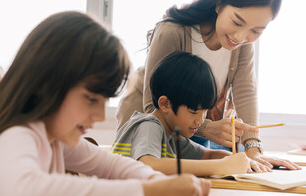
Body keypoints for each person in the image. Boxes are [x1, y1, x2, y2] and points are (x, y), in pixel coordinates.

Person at [0, 11, 210, 196]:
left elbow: (112, 165)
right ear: (45, 84)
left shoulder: (53, 137)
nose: (98, 116)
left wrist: (157, 182)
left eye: (104, 101)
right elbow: (26, 194)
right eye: (90, 98)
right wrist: (149, 193)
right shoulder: (15, 134)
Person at [116, 0, 300, 170]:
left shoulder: (244, 43)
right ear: (219, 4)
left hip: (187, 128)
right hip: (155, 122)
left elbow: (245, 92)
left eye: (256, 31)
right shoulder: (173, 32)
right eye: (237, 22)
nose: (241, 37)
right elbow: (154, 109)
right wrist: (205, 128)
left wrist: (252, 150)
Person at [113, 52, 272, 175]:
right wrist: (221, 166)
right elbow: (148, 164)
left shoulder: (171, 135)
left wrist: (239, 159)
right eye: (194, 111)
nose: (201, 120)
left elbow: (208, 155)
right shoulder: (148, 126)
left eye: (205, 112)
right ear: (165, 104)